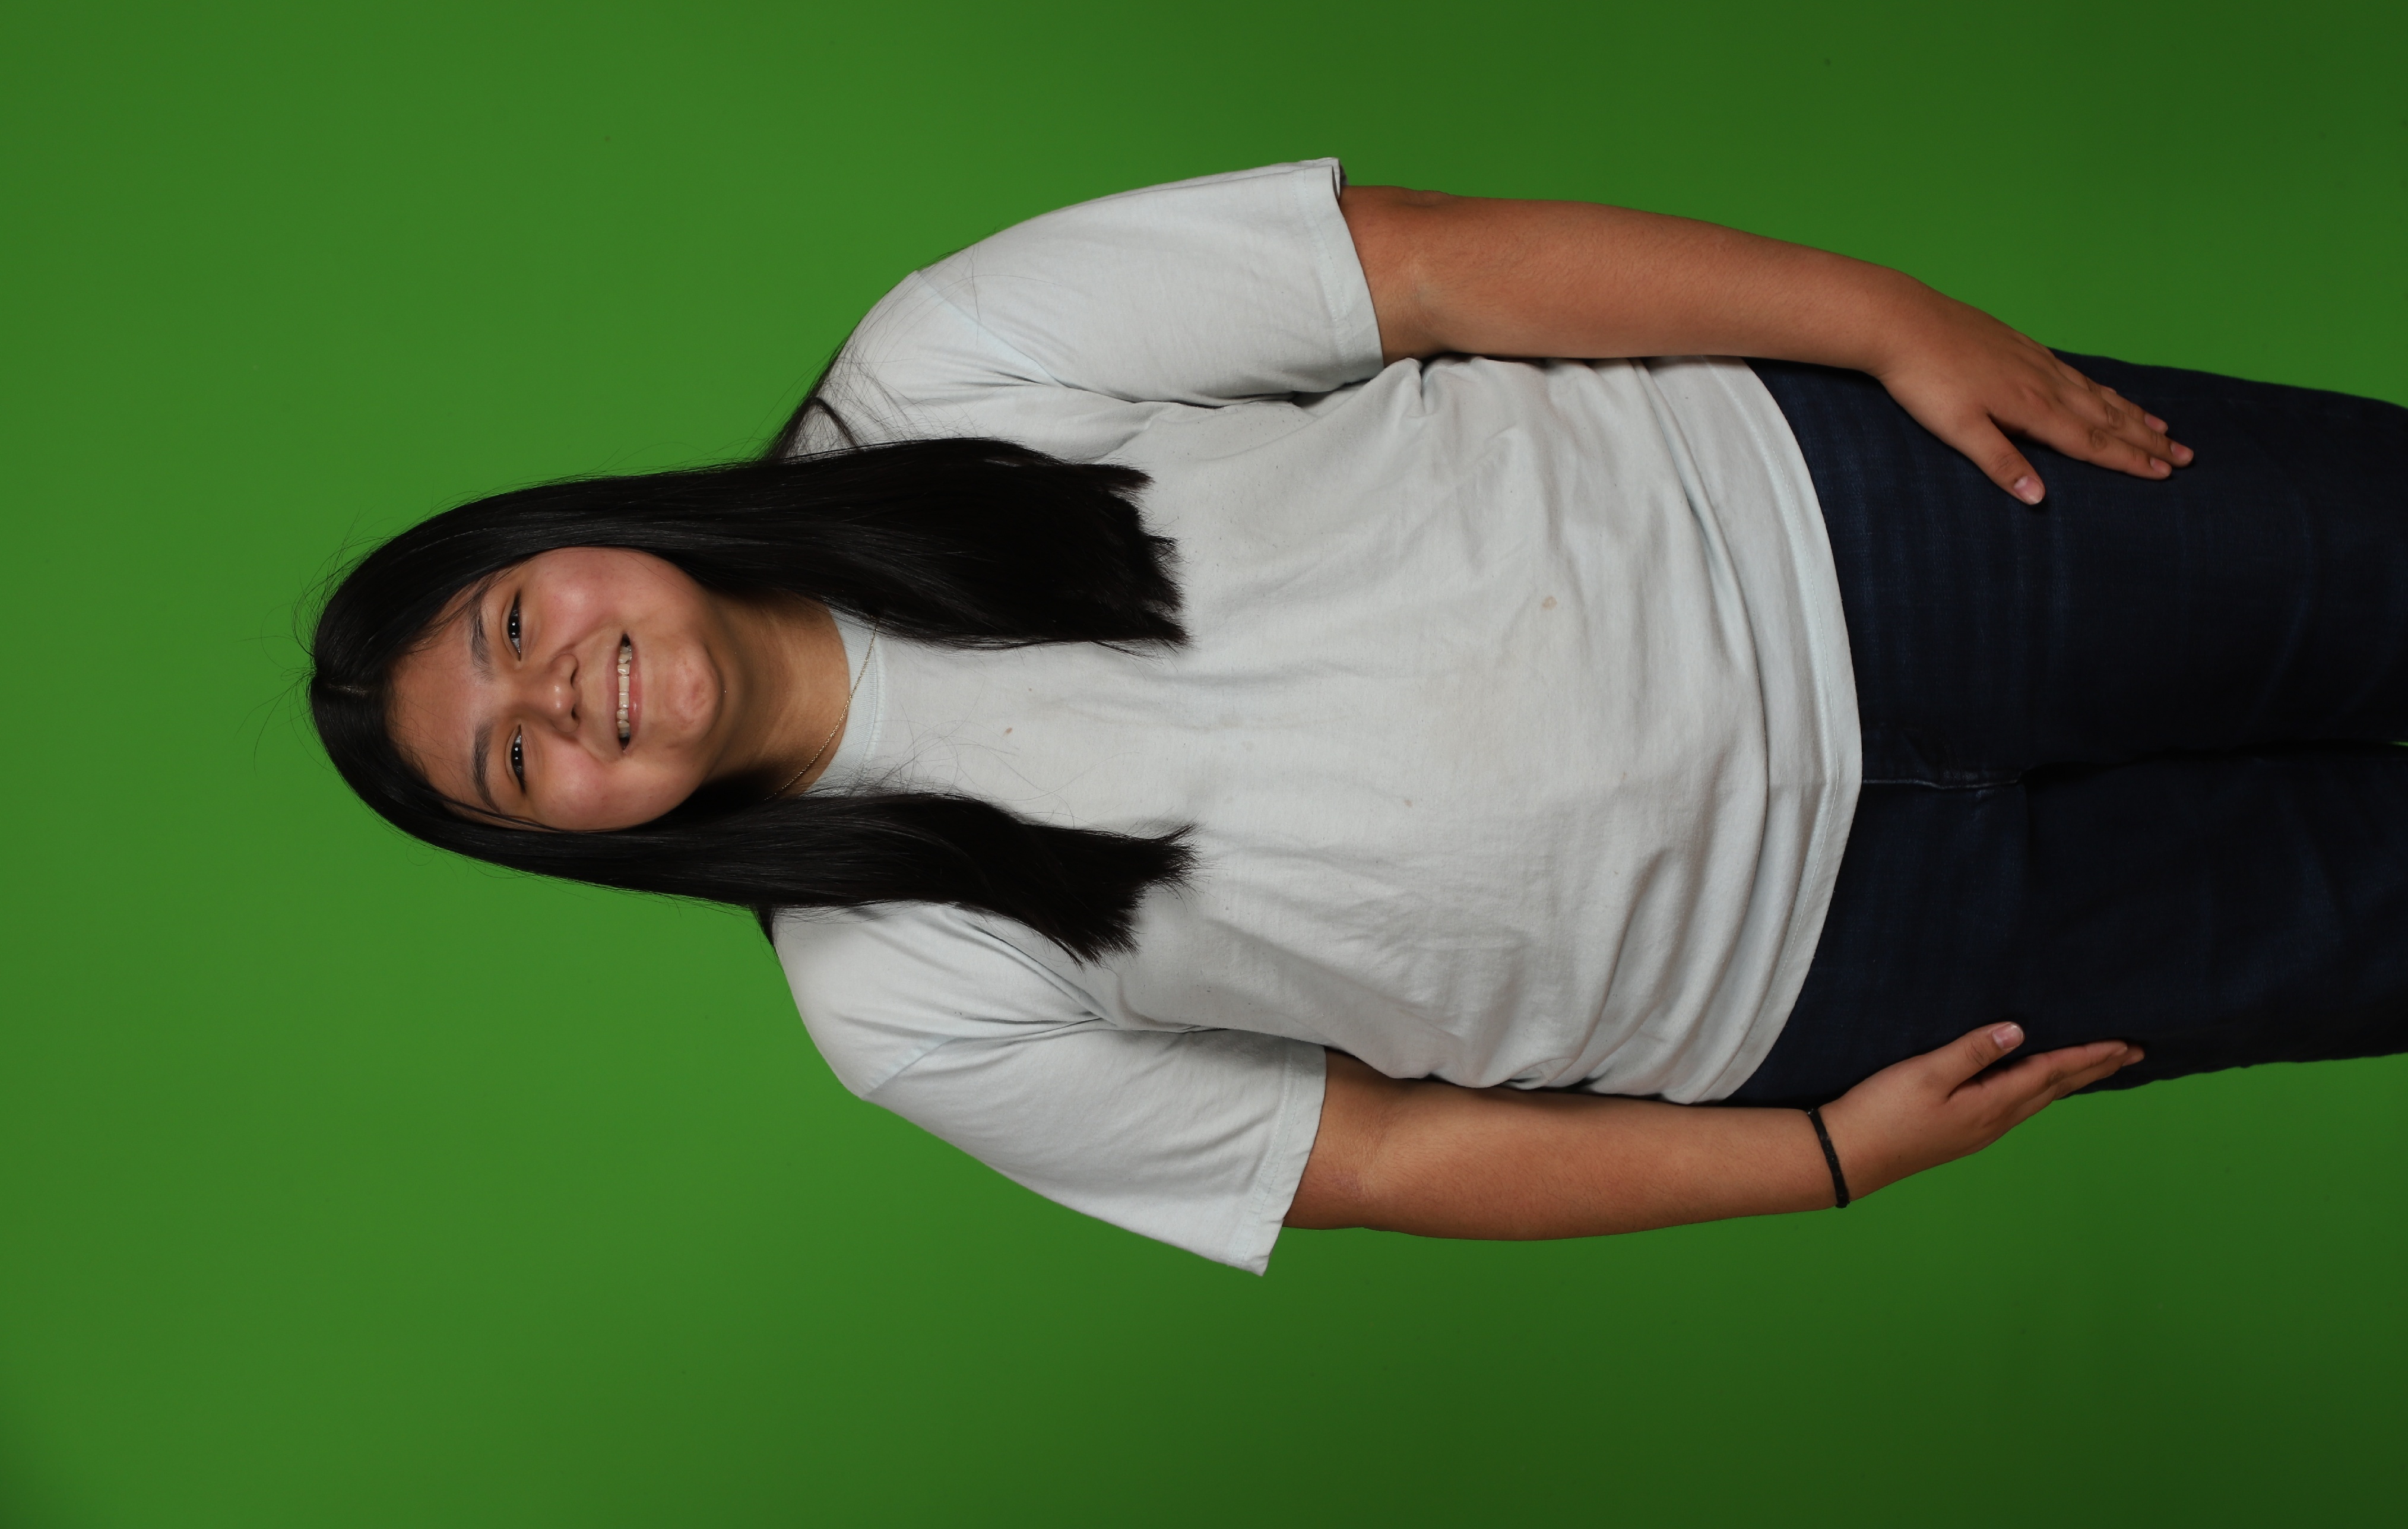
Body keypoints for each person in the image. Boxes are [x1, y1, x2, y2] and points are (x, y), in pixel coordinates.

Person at [312, 161, 2408, 1273]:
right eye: (515, 758)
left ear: (570, 535)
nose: (560, 690)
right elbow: (1380, 1153)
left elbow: (1435, 269)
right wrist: (1819, 1164)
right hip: (1847, 969)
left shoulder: (947, 360)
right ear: (561, 834)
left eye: (514, 619)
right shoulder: (896, 1003)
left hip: (1868, 531)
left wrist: (1881, 321)